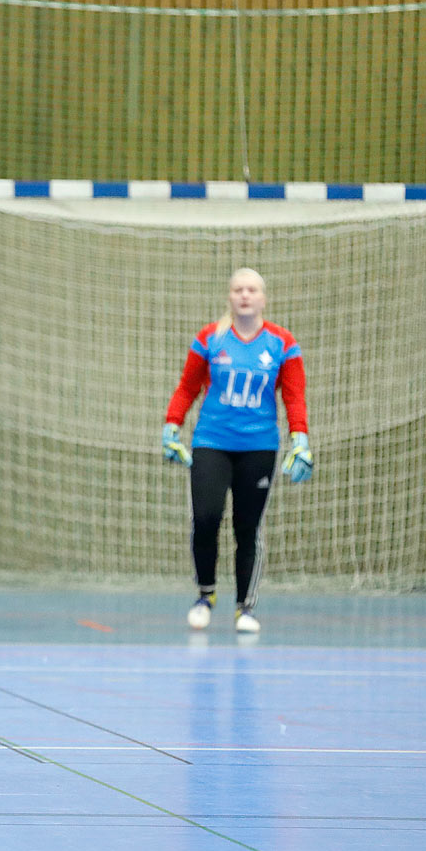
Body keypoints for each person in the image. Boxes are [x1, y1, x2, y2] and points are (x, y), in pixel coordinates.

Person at [162, 267, 312, 634]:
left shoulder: (282, 342)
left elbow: (294, 396)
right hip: (212, 441)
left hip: (259, 446)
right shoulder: (210, 338)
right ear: (229, 296)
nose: (245, 295)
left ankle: (245, 607)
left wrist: (301, 440)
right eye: (238, 289)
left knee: (248, 528)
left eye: (252, 290)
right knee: (206, 518)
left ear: (263, 298)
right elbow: (187, 387)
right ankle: (205, 595)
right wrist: (171, 427)